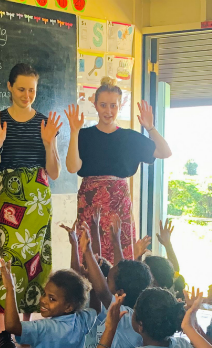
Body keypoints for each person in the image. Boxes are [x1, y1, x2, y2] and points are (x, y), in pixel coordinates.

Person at [0, 63, 64, 348]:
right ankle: (7, 331)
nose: (27, 95)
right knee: (11, 263)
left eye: (32, 89)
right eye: (21, 88)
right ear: (9, 86)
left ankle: (24, 328)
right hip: (9, 197)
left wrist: (48, 142)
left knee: (35, 262)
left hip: (39, 198)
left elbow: (53, 172)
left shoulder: (44, 122)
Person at [46, 227, 154, 348]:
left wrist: (87, 251)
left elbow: (102, 290)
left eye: (109, 278)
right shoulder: (140, 312)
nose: (105, 279)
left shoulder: (123, 314)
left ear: (120, 291)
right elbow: (120, 282)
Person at [65, 76, 171, 260]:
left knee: (120, 259)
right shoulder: (83, 134)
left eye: (113, 105)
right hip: (90, 205)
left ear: (120, 106)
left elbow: (165, 152)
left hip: (119, 205)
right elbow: (72, 167)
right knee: (88, 257)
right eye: (103, 105)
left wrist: (151, 127)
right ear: (95, 104)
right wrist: (74, 132)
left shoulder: (130, 137)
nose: (108, 110)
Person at [0, 261, 97, 348]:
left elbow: (12, 326)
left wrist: (10, 289)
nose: (43, 300)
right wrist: (90, 283)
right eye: (44, 294)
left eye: (52, 299)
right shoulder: (82, 320)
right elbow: (96, 309)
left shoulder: (44, 328)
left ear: (68, 306)